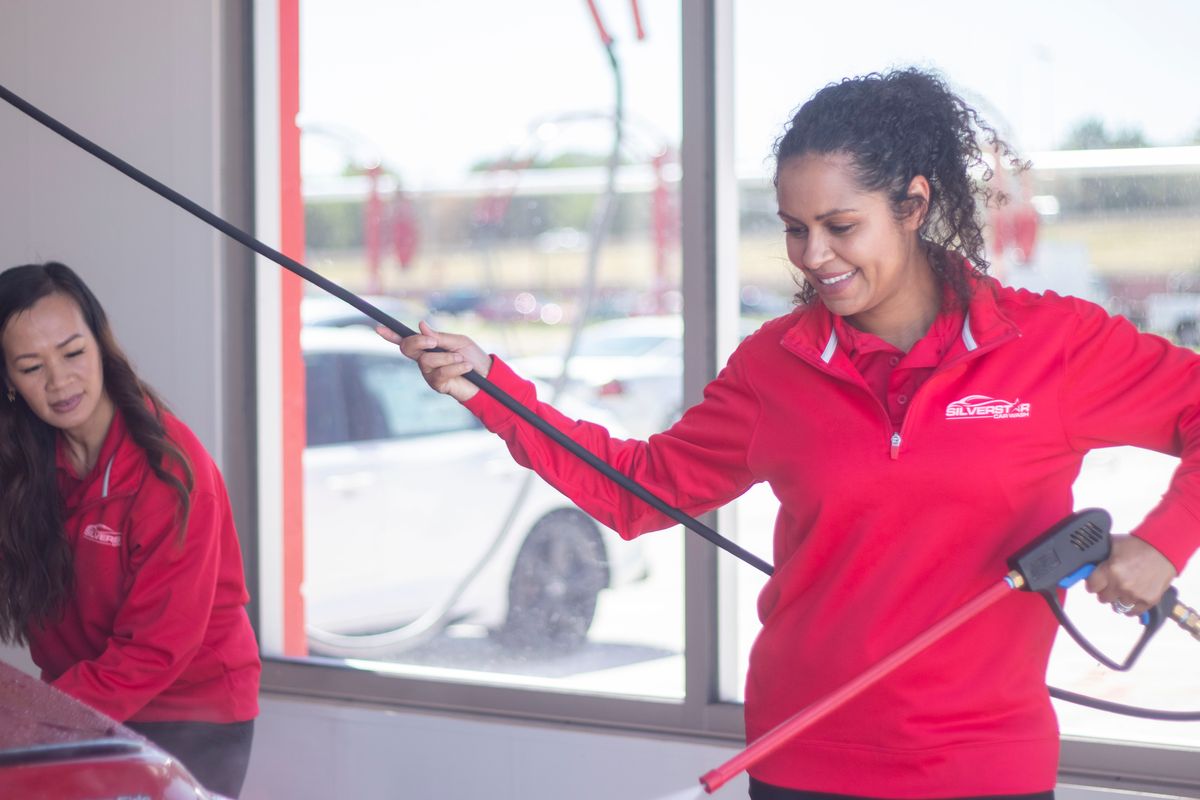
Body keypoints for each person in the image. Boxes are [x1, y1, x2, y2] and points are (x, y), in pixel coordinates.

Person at [382, 68, 1200, 799]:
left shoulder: (1051, 346)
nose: (813, 255)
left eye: (841, 226)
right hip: (801, 758)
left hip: (982, 768)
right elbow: (640, 490)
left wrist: (1165, 540)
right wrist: (492, 389)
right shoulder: (775, 366)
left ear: (912, 204)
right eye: (792, 227)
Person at [0, 262, 261, 798]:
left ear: (101, 344)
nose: (59, 381)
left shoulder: (170, 471)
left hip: (190, 710)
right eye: (31, 366)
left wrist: (34, 722)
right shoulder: (21, 462)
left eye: (73, 353)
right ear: (7, 380)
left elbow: (155, 652)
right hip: (78, 704)